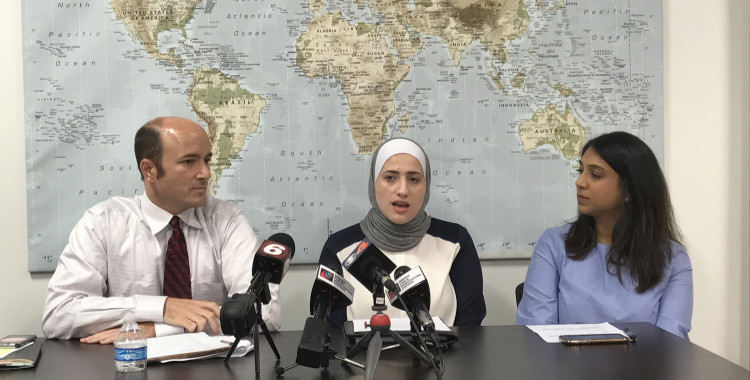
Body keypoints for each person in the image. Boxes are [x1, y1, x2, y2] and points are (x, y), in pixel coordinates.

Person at [42, 116, 280, 342]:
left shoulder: (226, 220)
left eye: (206, 160)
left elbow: (264, 314)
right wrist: (163, 307)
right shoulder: (103, 222)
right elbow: (58, 315)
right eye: (189, 161)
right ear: (149, 170)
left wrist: (158, 329)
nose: (205, 173)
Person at [516, 131, 693, 338]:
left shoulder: (673, 259)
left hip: (644, 370)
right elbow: (537, 332)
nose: (580, 182)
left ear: (630, 189)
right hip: (567, 368)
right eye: (580, 171)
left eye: (596, 175)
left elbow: (671, 343)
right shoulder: (554, 244)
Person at [319, 137, 486, 328]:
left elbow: (471, 326)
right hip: (361, 358)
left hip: (443, 357)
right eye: (390, 177)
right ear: (374, 184)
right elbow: (331, 332)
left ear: (426, 187)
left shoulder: (455, 241)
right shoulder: (340, 247)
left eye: (414, 179)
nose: (403, 190)